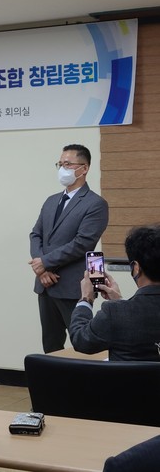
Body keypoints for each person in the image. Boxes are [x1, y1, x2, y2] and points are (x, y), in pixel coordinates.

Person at [29, 144, 109, 353]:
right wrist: (41, 269)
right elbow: (36, 234)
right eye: (60, 164)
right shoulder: (51, 201)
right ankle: (52, 376)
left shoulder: (95, 203)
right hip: (46, 284)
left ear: (84, 168)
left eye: (67, 164)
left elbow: (82, 243)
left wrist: (45, 262)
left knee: (82, 343)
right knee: (51, 344)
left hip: (74, 285)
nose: (62, 169)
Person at [69, 224, 160, 360]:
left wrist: (86, 299)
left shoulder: (114, 313)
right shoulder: (118, 311)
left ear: (136, 268)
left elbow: (81, 340)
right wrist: (120, 302)